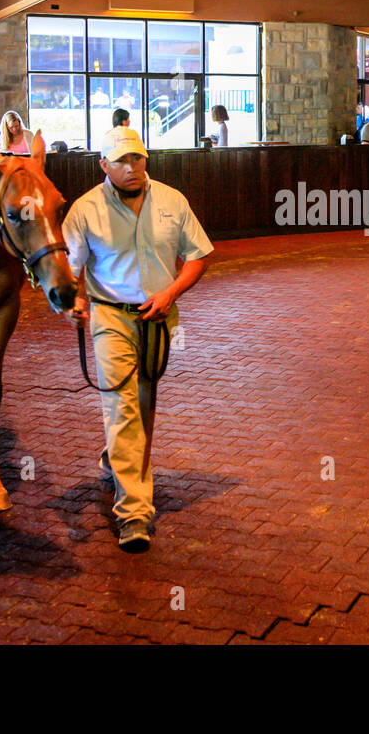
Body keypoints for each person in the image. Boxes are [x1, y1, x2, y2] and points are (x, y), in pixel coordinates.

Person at [62, 128, 212, 552]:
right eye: (122, 161)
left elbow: (199, 255)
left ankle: (116, 458)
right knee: (122, 406)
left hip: (160, 316)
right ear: (103, 165)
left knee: (144, 401)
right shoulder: (85, 210)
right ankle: (134, 513)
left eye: (139, 160)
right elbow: (69, 269)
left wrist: (170, 293)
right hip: (110, 316)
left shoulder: (172, 200)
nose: (132, 169)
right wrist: (74, 302)